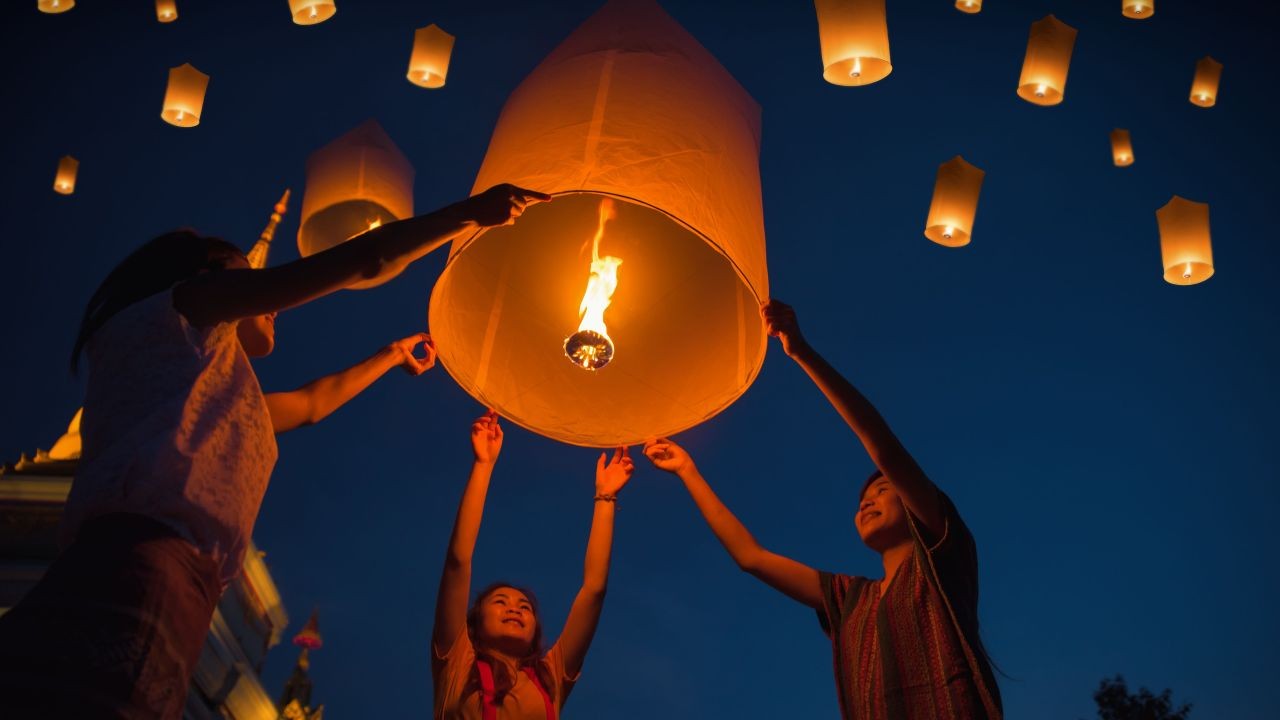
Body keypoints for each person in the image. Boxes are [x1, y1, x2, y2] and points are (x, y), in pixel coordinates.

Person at [0, 184, 550, 719]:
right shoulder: (184, 307)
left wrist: (389, 356)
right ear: (209, 280)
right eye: (250, 280)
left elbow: (311, 404)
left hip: (180, 584)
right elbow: (368, 259)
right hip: (142, 563)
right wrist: (468, 214)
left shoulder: (207, 387)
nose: (271, 301)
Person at [642, 299, 1003, 720]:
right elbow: (751, 558)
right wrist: (688, 471)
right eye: (861, 500)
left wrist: (802, 353)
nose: (866, 500)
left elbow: (883, 445)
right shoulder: (848, 598)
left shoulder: (944, 558)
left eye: (882, 488)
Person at [432, 412, 631, 719]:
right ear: (475, 621)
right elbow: (458, 562)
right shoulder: (457, 662)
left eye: (524, 607)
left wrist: (605, 497)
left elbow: (594, 591)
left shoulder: (551, 677)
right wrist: (483, 465)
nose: (515, 609)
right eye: (500, 602)